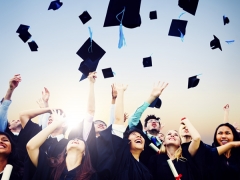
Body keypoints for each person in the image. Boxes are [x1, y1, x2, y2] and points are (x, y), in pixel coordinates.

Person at [26, 110, 95, 180]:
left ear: (85, 152)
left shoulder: (91, 177)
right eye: (73, 139)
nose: (75, 140)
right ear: (65, 151)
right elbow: (31, 146)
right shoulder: (51, 168)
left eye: (80, 139)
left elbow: (89, 115)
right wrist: (56, 122)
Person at [128, 81, 168, 166]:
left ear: (160, 128)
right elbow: (133, 118)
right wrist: (152, 97)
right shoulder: (141, 137)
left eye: (156, 122)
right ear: (145, 128)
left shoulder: (164, 144)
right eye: (150, 121)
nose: (154, 122)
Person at [0, 74, 22, 142]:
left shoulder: (29, 135)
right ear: (9, 127)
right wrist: (10, 89)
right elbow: (4, 109)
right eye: (13, 121)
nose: (17, 120)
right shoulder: (5, 134)